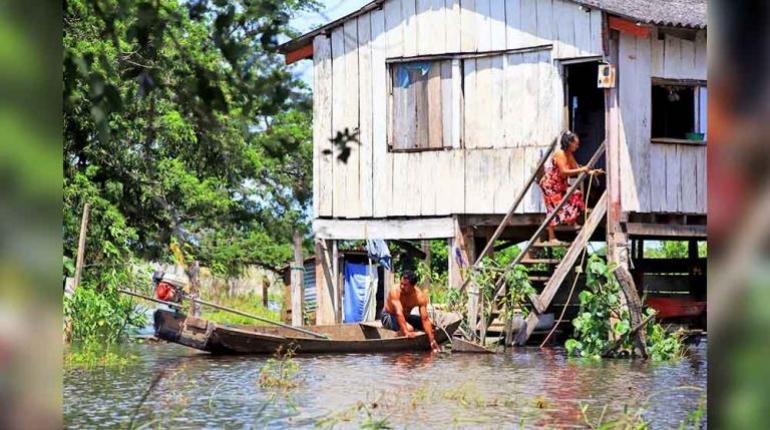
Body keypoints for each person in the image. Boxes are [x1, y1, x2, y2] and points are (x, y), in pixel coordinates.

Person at [538, 131, 603, 244]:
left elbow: (577, 168)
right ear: (569, 143)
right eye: (575, 144)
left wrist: (592, 172)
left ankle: (571, 220)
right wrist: (582, 169)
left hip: (560, 184)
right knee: (553, 209)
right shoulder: (560, 154)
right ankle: (552, 237)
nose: (577, 146)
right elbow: (564, 171)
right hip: (551, 185)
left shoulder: (569, 155)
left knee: (576, 195)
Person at [381, 270, 440, 352]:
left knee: (431, 327)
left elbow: (425, 319)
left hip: (405, 316)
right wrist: (406, 332)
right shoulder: (395, 291)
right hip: (389, 315)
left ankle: (431, 344)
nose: (401, 286)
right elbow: (399, 313)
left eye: (405, 285)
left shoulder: (419, 296)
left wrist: (431, 339)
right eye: (401, 283)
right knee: (410, 329)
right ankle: (399, 343)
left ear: (413, 286)